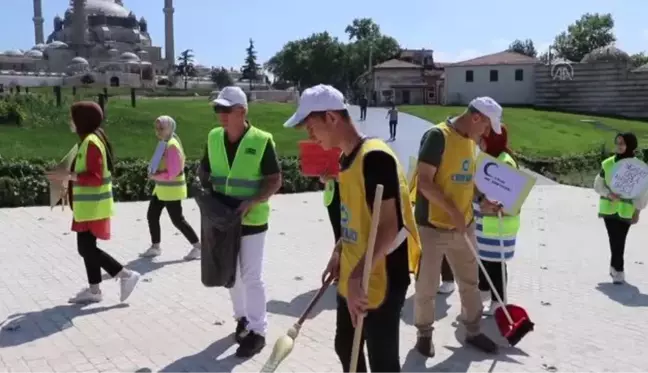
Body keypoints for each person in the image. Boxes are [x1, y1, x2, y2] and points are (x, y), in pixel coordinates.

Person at [284, 84, 421, 373]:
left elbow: (389, 225)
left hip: (381, 275)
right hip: (355, 270)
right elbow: (354, 217)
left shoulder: (375, 157)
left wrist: (359, 272)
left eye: (311, 127)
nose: (310, 136)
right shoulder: (347, 159)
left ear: (331, 118)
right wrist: (339, 252)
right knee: (346, 346)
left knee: (383, 360)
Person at [413, 97, 503, 357]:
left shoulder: (471, 141)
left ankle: (473, 331)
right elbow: (425, 183)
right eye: (486, 126)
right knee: (426, 286)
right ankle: (424, 334)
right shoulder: (436, 137)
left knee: (470, 282)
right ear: (476, 117)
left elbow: (466, 181)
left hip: (464, 226)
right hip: (432, 226)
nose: (486, 133)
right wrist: (453, 211)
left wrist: (482, 201)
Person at [201, 86, 282, 358]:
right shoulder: (213, 137)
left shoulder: (262, 140)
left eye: (226, 109)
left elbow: (274, 180)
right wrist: (206, 194)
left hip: (252, 219)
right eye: (218, 109)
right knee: (230, 274)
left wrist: (253, 201)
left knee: (251, 276)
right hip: (222, 218)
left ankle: (258, 331)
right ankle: (242, 319)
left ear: (242, 112)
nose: (220, 115)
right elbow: (204, 170)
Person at [45, 101, 140, 304]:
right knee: (87, 247)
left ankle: (125, 275)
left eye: (72, 118)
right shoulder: (90, 140)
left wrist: (68, 175)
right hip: (88, 206)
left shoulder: (91, 142)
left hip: (92, 206)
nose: (70, 122)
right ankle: (95, 290)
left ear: (82, 120)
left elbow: (95, 177)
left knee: (86, 248)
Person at [473, 125, 521, 315]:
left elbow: (511, 198)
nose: (479, 141)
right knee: (486, 262)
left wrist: (491, 204)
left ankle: (498, 302)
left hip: (498, 225)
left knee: (496, 265)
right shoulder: (489, 159)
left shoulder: (504, 162)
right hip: (486, 225)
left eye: (483, 137)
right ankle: (487, 296)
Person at [140, 115, 201, 260]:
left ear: (170, 128)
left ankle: (199, 247)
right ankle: (155, 247)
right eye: (157, 128)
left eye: (161, 128)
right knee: (152, 215)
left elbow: (173, 173)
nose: (158, 131)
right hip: (162, 189)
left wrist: (155, 176)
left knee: (177, 220)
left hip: (171, 189)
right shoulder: (164, 142)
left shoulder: (172, 145)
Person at [593, 132, 647, 284]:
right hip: (608, 207)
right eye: (617, 143)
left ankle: (614, 267)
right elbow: (598, 185)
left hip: (626, 210)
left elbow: (642, 192)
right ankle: (619, 270)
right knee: (614, 239)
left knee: (620, 239)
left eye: (622, 143)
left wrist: (638, 211)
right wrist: (608, 194)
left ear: (630, 145)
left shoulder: (638, 167)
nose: (619, 146)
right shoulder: (608, 164)